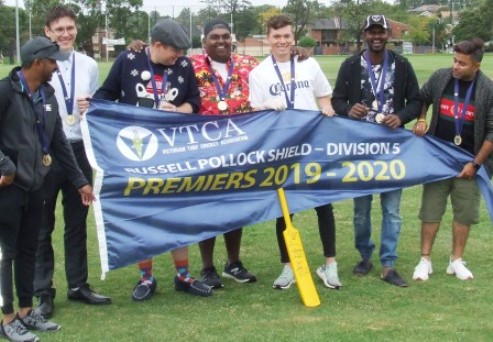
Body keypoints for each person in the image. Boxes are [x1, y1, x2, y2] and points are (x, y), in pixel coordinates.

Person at [79, 19, 212, 301]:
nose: (178, 56)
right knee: (143, 214)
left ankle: (184, 277)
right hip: (136, 154)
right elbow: (106, 96)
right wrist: (90, 104)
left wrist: (178, 109)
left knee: (179, 213)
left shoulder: (185, 66)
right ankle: (146, 278)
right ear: (157, 45)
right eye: (174, 51)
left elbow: (195, 102)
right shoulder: (128, 60)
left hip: (174, 154)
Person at [0, 36, 95, 342]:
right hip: (9, 187)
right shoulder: (5, 91)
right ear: (38, 62)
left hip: (35, 184)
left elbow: (58, 143)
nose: (57, 66)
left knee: (28, 249)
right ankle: (7, 318)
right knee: (7, 252)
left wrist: (80, 180)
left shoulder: (48, 93)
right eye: (53, 61)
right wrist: (6, 167)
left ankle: (27, 312)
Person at [248, 14, 342, 290]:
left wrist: (325, 106)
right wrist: (267, 106)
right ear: (268, 39)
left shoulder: (308, 63)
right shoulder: (259, 73)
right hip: (282, 150)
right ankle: (288, 267)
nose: (282, 41)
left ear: (292, 37)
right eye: (276, 37)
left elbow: (324, 94)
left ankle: (331, 265)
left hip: (313, 145)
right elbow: (255, 112)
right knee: (285, 212)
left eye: (286, 36)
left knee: (324, 206)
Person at [33, 5, 111, 320]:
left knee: (77, 222)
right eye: (59, 29)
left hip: (79, 151)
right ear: (48, 33)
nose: (65, 34)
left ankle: (78, 284)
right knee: (41, 226)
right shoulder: (39, 65)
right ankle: (43, 292)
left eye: (70, 28)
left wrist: (92, 105)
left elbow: (96, 106)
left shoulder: (89, 64)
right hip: (46, 153)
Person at [331, 14, 421, 287]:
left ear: (388, 34)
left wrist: (402, 117)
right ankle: (365, 255)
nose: (377, 37)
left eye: (381, 31)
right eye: (372, 32)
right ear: (364, 35)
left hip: (393, 147)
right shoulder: (349, 65)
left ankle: (388, 263)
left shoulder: (402, 64)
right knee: (361, 209)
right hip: (360, 147)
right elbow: (336, 99)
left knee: (391, 209)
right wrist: (348, 109)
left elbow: (416, 100)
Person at [412, 38, 493, 281]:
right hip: (439, 160)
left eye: (462, 63)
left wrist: (475, 164)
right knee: (430, 210)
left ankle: (456, 260)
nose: (455, 66)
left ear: (476, 66)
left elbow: (491, 131)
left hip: (470, 162)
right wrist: (422, 118)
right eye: (454, 60)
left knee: (464, 214)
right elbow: (422, 97)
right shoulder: (441, 77)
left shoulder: (487, 90)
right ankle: (424, 260)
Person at [189, 19, 258, 289]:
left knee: (234, 207)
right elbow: (157, 59)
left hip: (240, 149)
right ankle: (207, 268)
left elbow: (276, 75)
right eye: (215, 37)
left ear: (233, 39)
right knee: (207, 207)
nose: (221, 41)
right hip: (204, 149)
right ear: (204, 41)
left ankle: (233, 263)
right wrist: (138, 48)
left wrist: (297, 53)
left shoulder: (249, 64)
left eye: (226, 36)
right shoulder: (191, 65)